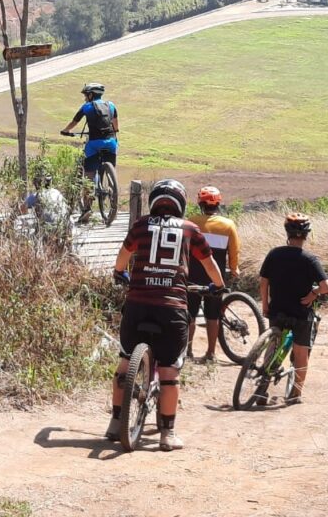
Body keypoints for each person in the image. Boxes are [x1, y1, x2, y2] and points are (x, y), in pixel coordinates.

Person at [107, 179, 225, 451]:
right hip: (172, 308)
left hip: (137, 305)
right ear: (181, 204)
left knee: (125, 365)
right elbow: (209, 265)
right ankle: (167, 434)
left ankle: (115, 424)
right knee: (170, 372)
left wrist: (120, 273)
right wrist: (218, 287)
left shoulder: (139, 226)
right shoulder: (190, 230)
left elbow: (122, 257)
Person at [258, 213, 328, 405]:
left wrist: (265, 304)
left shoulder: (274, 254)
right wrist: (314, 294)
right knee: (301, 352)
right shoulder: (310, 259)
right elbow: (327, 287)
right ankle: (295, 394)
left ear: (287, 232)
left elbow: (264, 282)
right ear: (306, 234)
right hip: (301, 312)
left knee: (272, 345)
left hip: (277, 310)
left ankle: (261, 389)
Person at [187, 185, 241, 361]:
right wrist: (234, 269)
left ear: (200, 203)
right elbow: (234, 251)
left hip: (193, 275)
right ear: (218, 203)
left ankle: (187, 351)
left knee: (190, 314)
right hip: (215, 277)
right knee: (212, 315)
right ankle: (211, 353)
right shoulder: (228, 225)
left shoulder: (191, 222)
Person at [60, 81, 118, 222]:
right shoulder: (111, 105)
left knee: (89, 175)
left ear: (91, 95)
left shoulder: (86, 107)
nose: (85, 98)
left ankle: (87, 209)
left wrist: (66, 131)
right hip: (111, 143)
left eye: (86, 95)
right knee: (110, 158)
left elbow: (75, 122)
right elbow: (116, 126)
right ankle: (111, 185)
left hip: (93, 144)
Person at [19, 170, 71, 245]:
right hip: (65, 228)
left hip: (49, 229)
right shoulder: (57, 192)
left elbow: (21, 209)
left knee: (32, 234)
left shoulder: (36, 195)